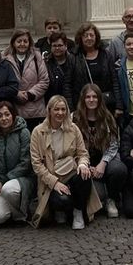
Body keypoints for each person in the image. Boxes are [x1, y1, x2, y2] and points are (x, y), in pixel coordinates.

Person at [29, 95, 103, 229]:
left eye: (63, 109)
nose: (60, 113)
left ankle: (78, 212)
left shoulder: (73, 128)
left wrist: (82, 164)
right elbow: (37, 165)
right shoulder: (38, 132)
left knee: (85, 175)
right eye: (56, 109)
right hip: (51, 178)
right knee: (62, 200)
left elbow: (83, 153)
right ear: (49, 110)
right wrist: (54, 183)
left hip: (71, 173)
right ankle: (59, 210)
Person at [73, 84, 127, 218]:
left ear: (99, 99)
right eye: (88, 97)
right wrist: (84, 165)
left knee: (119, 169)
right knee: (98, 193)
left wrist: (103, 163)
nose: (91, 100)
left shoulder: (108, 118)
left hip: (104, 161)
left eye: (94, 97)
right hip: (83, 162)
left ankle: (112, 199)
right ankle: (100, 196)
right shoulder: (74, 118)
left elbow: (114, 145)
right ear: (83, 99)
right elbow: (71, 146)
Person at [0, 101, 34, 226]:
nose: (4, 118)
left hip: (21, 180)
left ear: (13, 115)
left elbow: (26, 163)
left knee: (9, 190)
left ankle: (21, 215)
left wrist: (3, 181)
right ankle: (15, 211)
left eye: (7, 114)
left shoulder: (24, 133)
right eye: (0, 116)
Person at [4, 29, 49, 132]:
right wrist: (16, 93)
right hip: (15, 110)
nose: (22, 44)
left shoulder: (37, 58)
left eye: (25, 41)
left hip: (36, 111)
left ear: (29, 43)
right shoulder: (6, 60)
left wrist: (29, 94)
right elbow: (3, 82)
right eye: (19, 41)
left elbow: (44, 80)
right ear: (13, 43)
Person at [69, 22, 119, 111]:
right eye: (85, 35)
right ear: (80, 38)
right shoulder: (73, 57)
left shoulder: (106, 55)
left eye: (91, 35)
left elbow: (114, 81)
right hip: (82, 106)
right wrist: (71, 109)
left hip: (105, 105)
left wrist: (119, 106)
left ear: (96, 37)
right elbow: (68, 84)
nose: (89, 38)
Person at [44, 31, 74, 106]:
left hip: (72, 102)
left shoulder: (74, 61)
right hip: (52, 103)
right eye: (54, 46)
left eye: (60, 45)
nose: (57, 48)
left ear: (66, 46)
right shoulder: (45, 63)